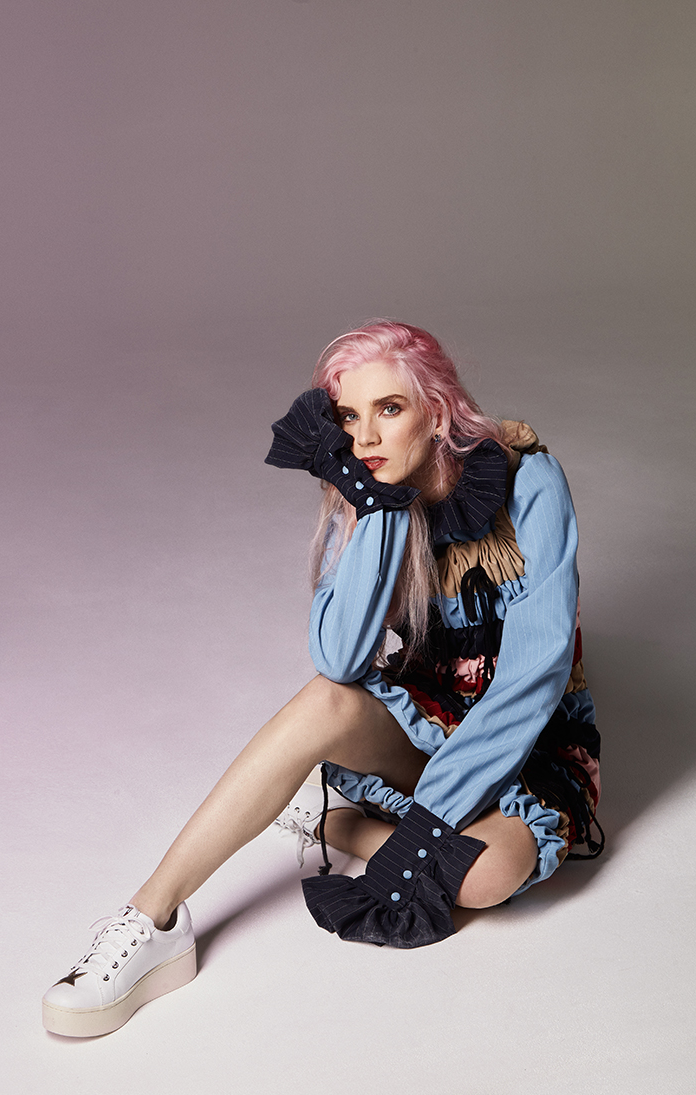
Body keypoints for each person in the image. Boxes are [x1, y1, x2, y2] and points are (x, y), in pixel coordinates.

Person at [42, 321, 602, 1037]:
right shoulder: (367, 489)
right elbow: (339, 659)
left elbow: (536, 673)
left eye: (389, 409)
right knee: (323, 701)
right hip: (430, 718)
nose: (365, 436)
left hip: (528, 740)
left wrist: (429, 824)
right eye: (349, 416)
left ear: (436, 411)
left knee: (487, 877)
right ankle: (150, 921)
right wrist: (379, 507)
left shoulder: (529, 481)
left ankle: (337, 822)